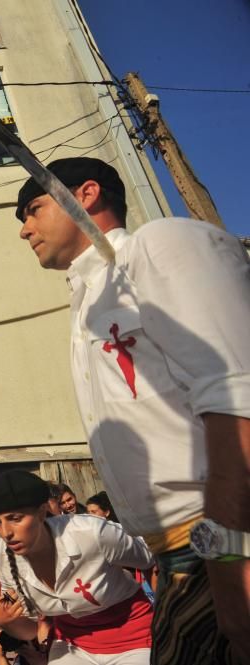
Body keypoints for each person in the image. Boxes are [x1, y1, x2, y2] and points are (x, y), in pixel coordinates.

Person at [15, 156, 250, 663]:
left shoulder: (159, 245)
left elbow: (237, 397)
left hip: (229, 537)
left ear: (88, 194)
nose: (24, 230)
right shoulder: (87, 303)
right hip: (185, 558)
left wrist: (236, 561)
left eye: (33, 209)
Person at [0, 471, 154, 664]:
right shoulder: (1, 557)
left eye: (15, 518)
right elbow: (30, 631)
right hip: (73, 645)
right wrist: (5, 622)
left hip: (135, 637)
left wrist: (170, 620)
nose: (6, 532)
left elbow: (150, 559)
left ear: (42, 512)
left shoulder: (91, 533)